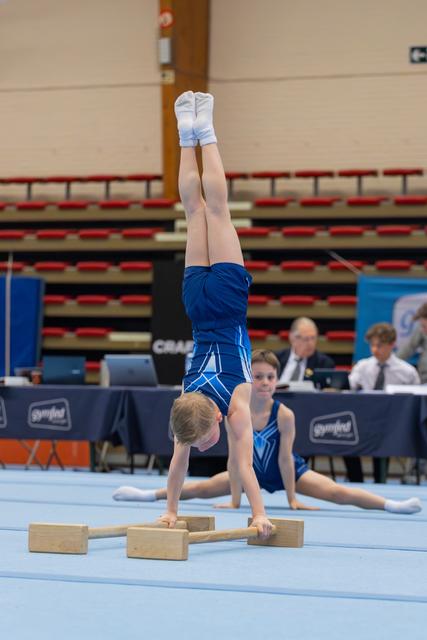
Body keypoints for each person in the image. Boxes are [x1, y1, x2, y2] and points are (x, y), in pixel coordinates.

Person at [151, 90, 272, 538]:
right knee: (194, 211)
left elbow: (244, 466)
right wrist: (170, 510)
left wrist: (259, 514)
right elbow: (178, 467)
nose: (199, 447)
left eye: (199, 443)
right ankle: (187, 134)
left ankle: (205, 131)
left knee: (215, 210)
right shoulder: (184, 405)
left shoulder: (234, 409)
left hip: (224, 304)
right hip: (196, 306)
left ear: (215, 420)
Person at [113, 350, 422, 515]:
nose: (263, 382)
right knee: (199, 489)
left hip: (286, 472)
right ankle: (148, 494)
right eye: (257, 376)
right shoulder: (238, 409)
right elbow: (235, 460)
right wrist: (236, 501)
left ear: (277, 380)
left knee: (337, 492)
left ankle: (389, 505)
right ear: (250, 378)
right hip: (249, 475)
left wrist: (292, 499)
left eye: (269, 377)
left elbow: (286, 460)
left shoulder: (283, 414)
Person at [348, 322, 420, 483]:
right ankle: (356, 481)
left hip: (393, 424)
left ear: (392, 344)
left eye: (379, 345)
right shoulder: (362, 367)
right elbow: (348, 391)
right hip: (364, 420)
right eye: (372, 345)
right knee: (346, 432)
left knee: (383, 436)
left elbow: (415, 404)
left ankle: (380, 481)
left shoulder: (407, 372)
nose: (375, 350)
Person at [276, 317, 335, 384]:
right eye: (306, 339)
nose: (310, 343)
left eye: (313, 338)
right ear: (292, 338)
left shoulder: (324, 363)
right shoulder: (276, 359)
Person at [397, 301, 427, 384]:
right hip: (424, 378)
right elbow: (409, 348)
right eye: (422, 326)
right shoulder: (420, 330)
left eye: (425, 326)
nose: (423, 330)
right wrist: (392, 361)